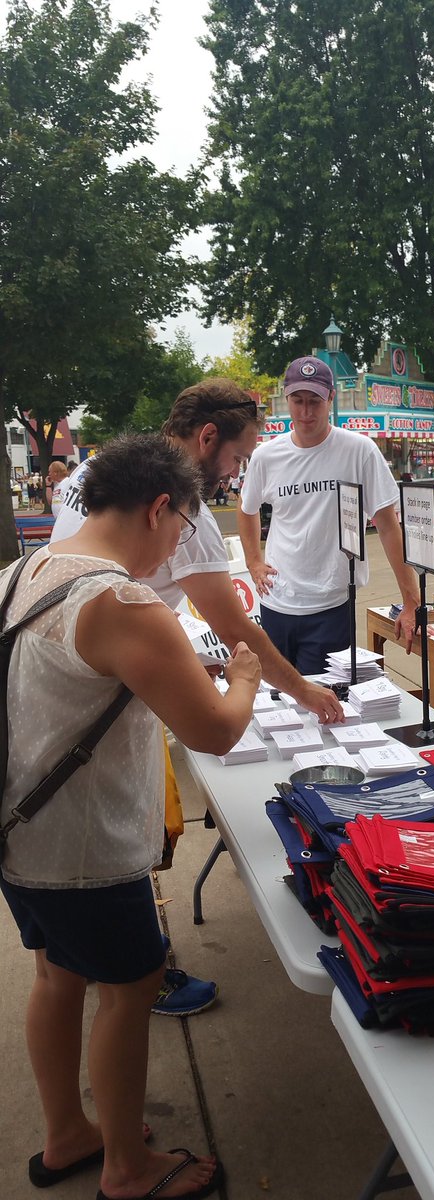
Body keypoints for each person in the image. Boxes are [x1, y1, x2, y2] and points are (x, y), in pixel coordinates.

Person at [0, 434, 260, 1199]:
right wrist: (242, 674)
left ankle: (68, 1134)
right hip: (85, 847)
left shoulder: (20, 571)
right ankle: (127, 1167)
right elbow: (215, 729)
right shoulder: (121, 599)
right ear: (158, 509)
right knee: (131, 985)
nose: (177, 549)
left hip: (18, 835)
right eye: (182, 532)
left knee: (54, 974)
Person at [52, 380, 343, 1016]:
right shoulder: (177, 524)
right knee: (126, 869)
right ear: (206, 440)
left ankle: (117, 968)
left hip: (59, 710)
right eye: (237, 460)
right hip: (104, 723)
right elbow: (232, 644)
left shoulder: (96, 473)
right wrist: (292, 688)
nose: (236, 477)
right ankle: (140, 970)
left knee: (57, 964)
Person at [238, 355, 421, 675]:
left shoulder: (359, 451)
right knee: (278, 706)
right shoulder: (267, 456)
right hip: (276, 604)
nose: (306, 412)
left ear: (331, 398)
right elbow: (246, 508)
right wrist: (253, 560)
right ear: (286, 398)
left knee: (327, 708)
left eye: (315, 401)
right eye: (298, 401)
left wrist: (411, 600)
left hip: (330, 606)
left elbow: (389, 526)